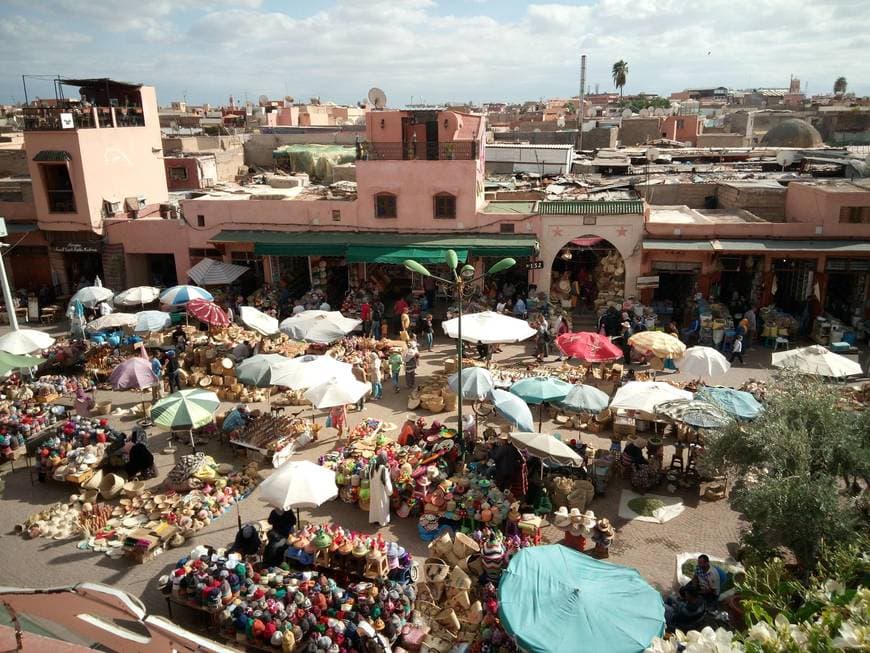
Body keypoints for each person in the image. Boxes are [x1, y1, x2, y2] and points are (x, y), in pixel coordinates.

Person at [368, 453, 393, 526]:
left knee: (374, 505)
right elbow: (386, 482)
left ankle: (374, 519)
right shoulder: (383, 469)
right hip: (382, 493)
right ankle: (383, 522)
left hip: (374, 490)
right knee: (382, 506)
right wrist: (390, 492)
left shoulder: (372, 467)